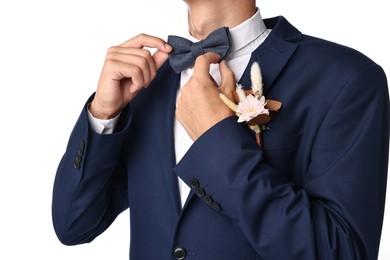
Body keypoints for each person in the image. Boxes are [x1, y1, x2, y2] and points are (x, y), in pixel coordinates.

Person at [51, 0, 389, 259]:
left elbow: (344, 251)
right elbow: (74, 225)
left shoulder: (347, 79)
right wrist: (103, 115)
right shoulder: (146, 85)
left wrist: (218, 143)